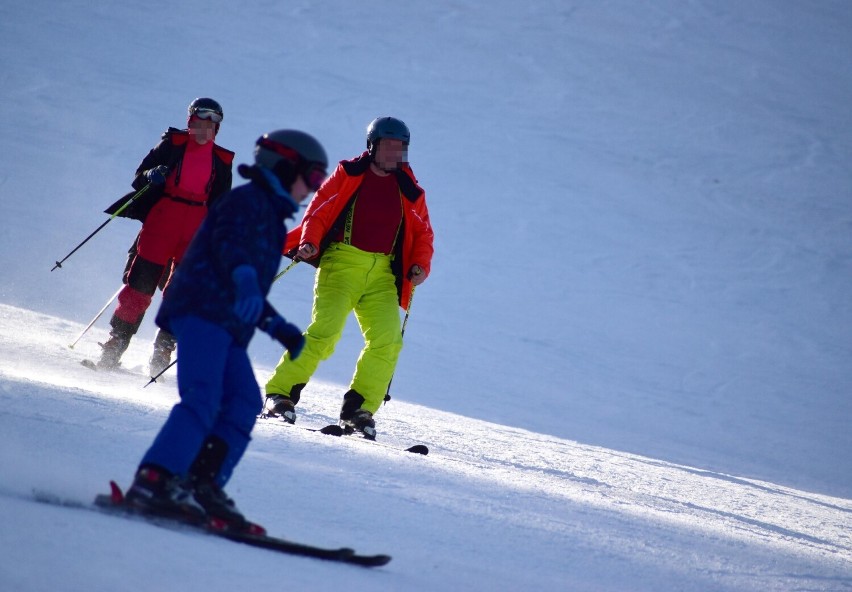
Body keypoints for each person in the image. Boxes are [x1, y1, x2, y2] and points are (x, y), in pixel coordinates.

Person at [123, 130, 328, 529]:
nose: (314, 188)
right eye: (314, 177)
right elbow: (232, 249)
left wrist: (276, 326)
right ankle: (155, 480)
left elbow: (248, 288)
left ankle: (201, 486)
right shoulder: (245, 202)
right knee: (203, 397)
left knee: (245, 401)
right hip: (200, 310)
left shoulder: (271, 216)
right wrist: (246, 277)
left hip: (227, 322)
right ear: (287, 169)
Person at [264, 116, 433, 439]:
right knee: (325, 331)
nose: (393, 154)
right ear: (372, 147)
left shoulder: (410, 189)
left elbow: (424, 232)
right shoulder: (349, 173)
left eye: (400, 148)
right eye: (387, 146)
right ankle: (279, 394)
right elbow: (319, 209)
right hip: (342, 262)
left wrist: (420, 265)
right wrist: (309, 240)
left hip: (383, 273)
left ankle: (359, 410)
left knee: (388, 340)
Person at [97, 98, 234, 377]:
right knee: (139, 286)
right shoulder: (171, 145)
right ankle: (116, 345)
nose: (207, 125)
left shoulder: (221, 160)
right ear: (190, 120)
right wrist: (151, 174)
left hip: (196, 229)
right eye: (201, 119)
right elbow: (139, 178)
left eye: (213, 121)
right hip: (163, 220)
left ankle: (163, 350)